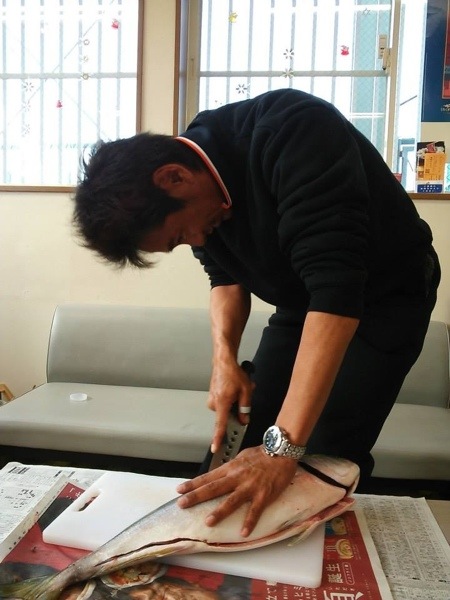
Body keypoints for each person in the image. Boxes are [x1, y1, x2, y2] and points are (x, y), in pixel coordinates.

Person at [73, 88, 440, 539]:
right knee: (246, 431)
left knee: (318, 453)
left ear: (174, 178)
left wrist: (283, 451)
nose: (198, 242)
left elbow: (337, 294)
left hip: (385, 296)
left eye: (181, 235)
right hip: (302, 299)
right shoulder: (198, 185)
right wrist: (223, 361)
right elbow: (224, 277)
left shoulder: (296, 131)